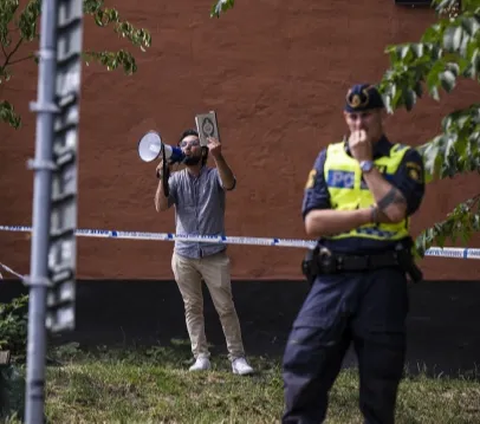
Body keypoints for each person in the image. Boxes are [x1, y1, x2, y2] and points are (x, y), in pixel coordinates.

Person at [281, 83, 426, 423]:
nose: (360, 124)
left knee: (379, 379)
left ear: (381, 115)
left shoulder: (405, 158)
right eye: (353, 116)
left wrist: (365, 164)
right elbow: (314, 222)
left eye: (367, 115)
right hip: (333, 275)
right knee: (302, 362)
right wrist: (369, 214)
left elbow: (397, 211)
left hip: (383, 278)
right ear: (346, 118)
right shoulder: (328, 157)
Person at [154, 128, 254, 375]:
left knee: (225, 307)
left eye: (193, 144)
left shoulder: (213, 176)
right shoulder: (176, 179)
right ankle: (200, 356)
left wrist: (220, 157)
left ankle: (237, 358)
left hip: (213, 255)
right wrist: (162, 178)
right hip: (184, 254)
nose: (188, 148)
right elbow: (160, 206)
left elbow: (229, 183)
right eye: (184, 145)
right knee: (192, 307)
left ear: (203, 151)